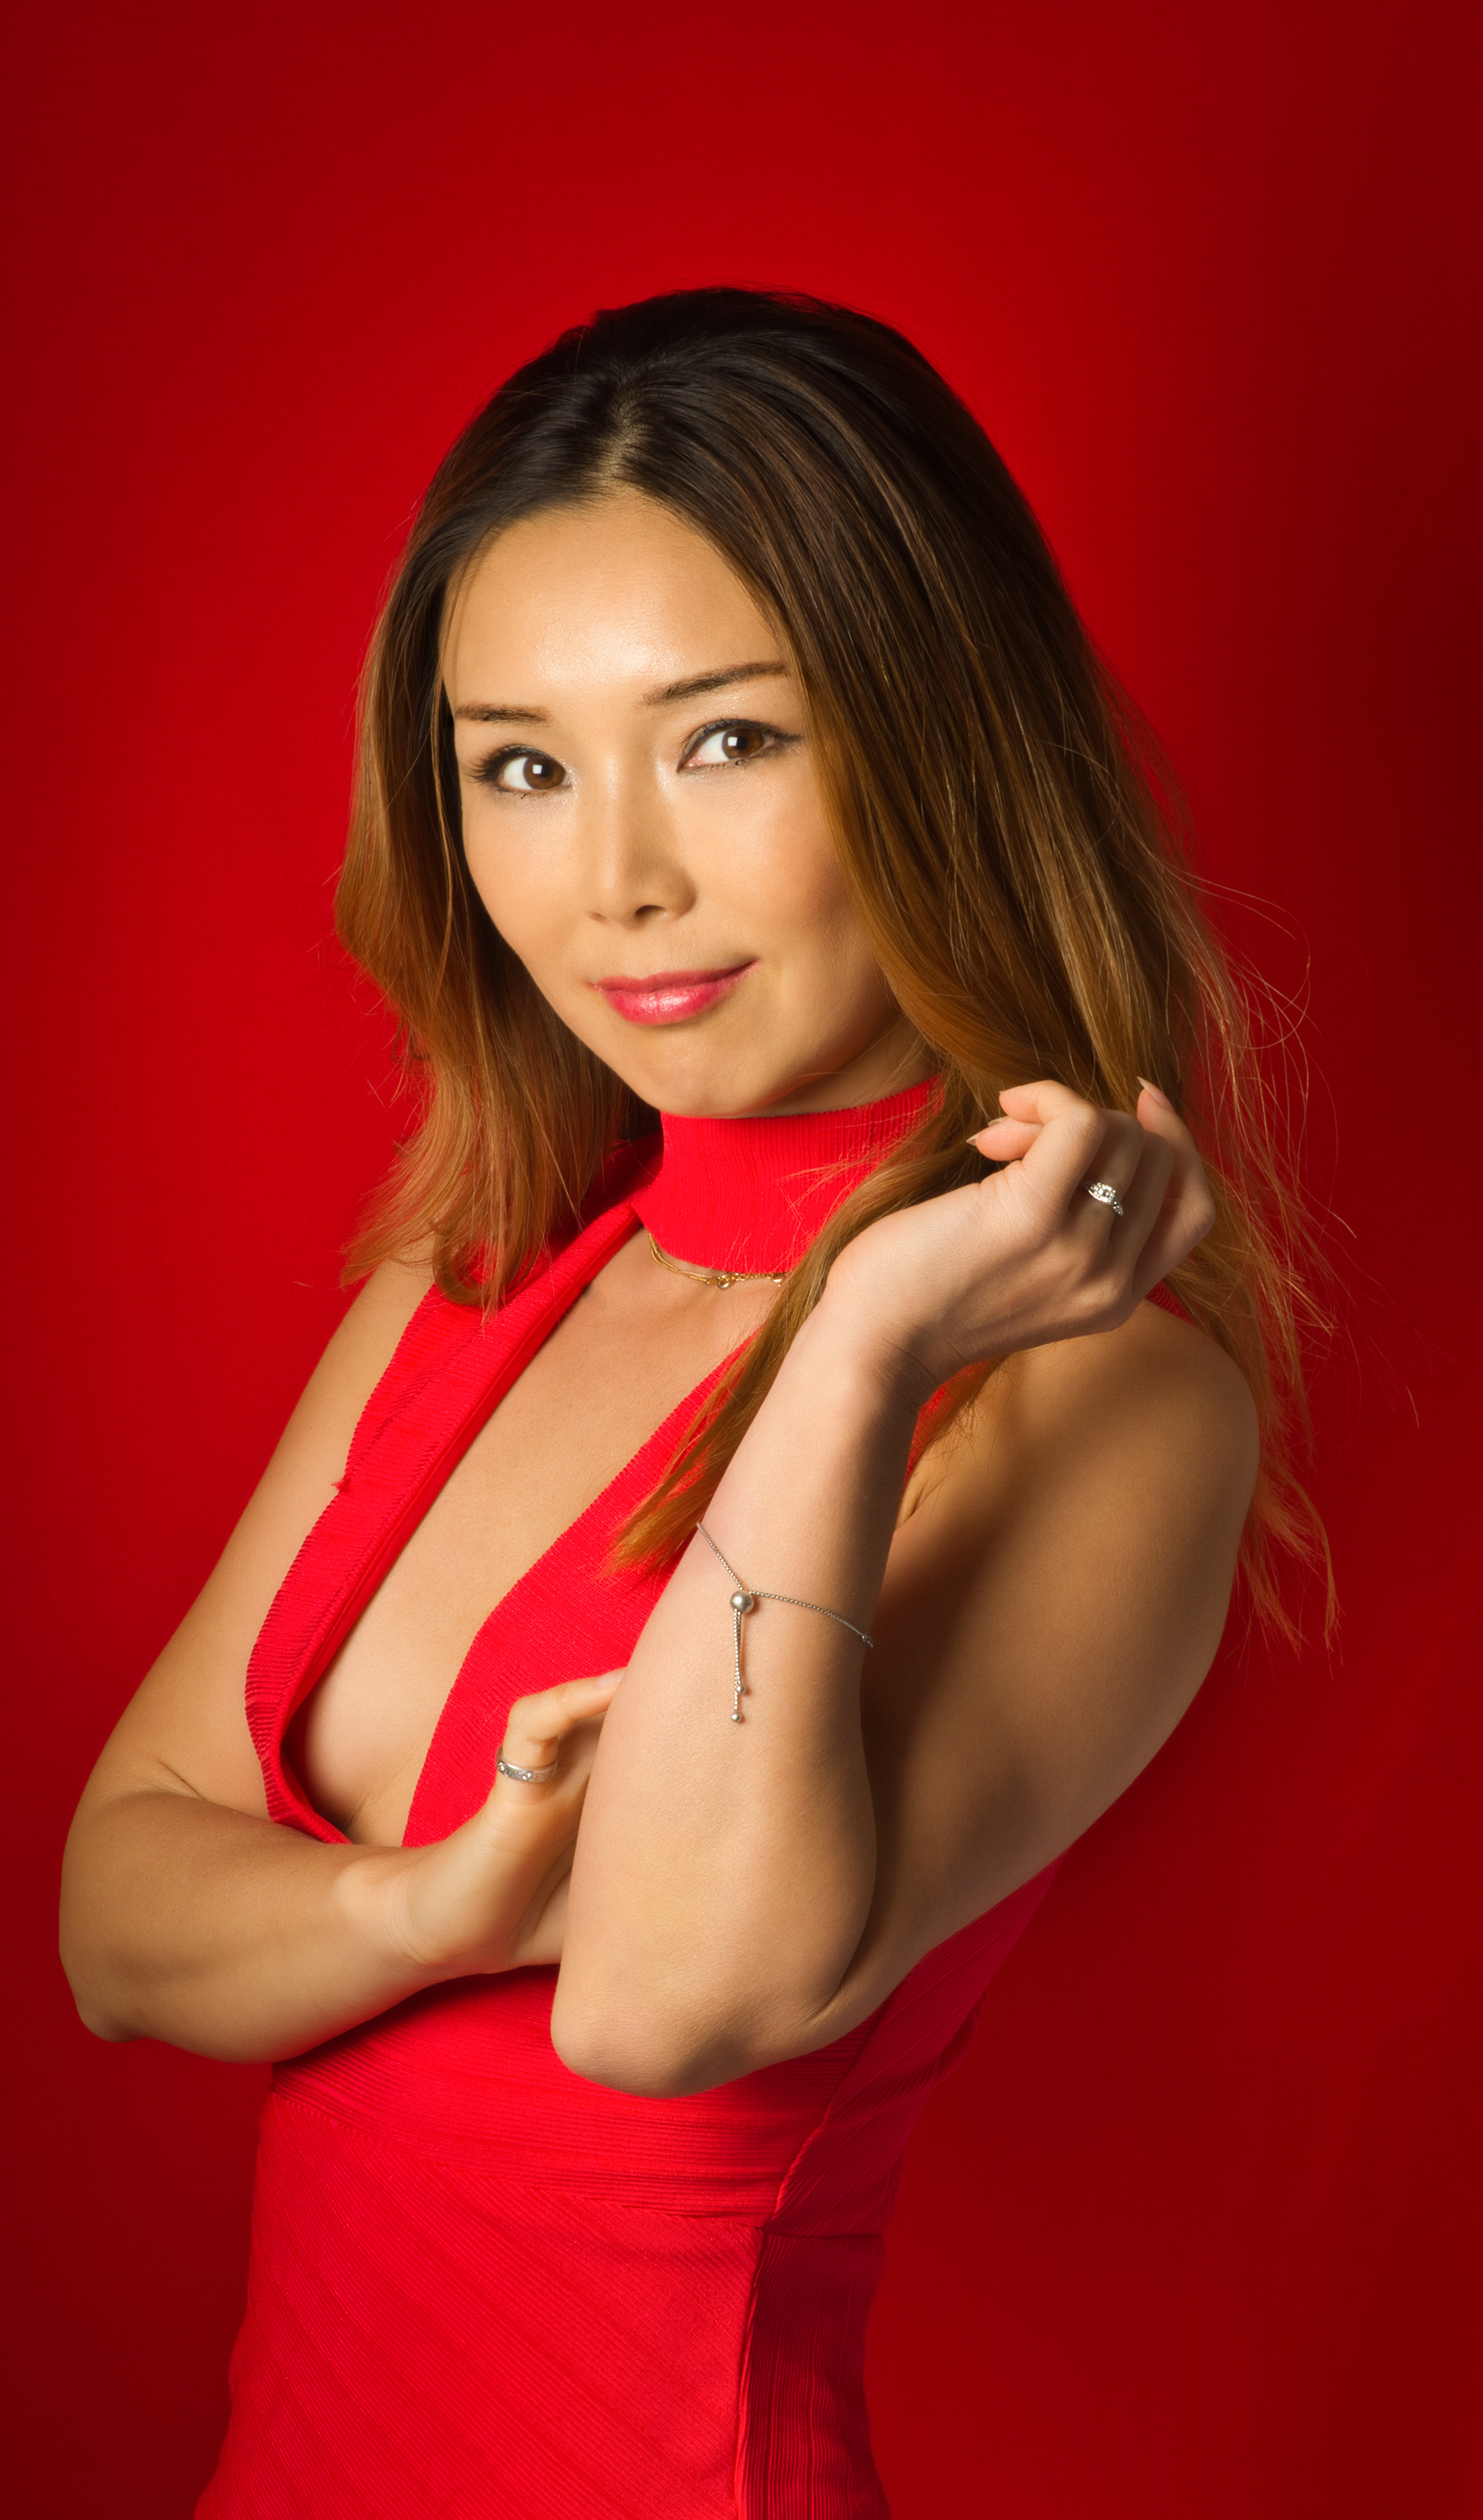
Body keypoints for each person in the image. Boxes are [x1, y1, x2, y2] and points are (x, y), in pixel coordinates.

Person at [59, 289, 1315, 2518]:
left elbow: (664, 2006)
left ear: (935, 740)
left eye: (726, 739)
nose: (618, 876)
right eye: (522, 766)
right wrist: (433, 1910)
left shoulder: (1105, 1398)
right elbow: (112, 1920)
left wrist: (858, 1343)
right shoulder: (480, 1281)